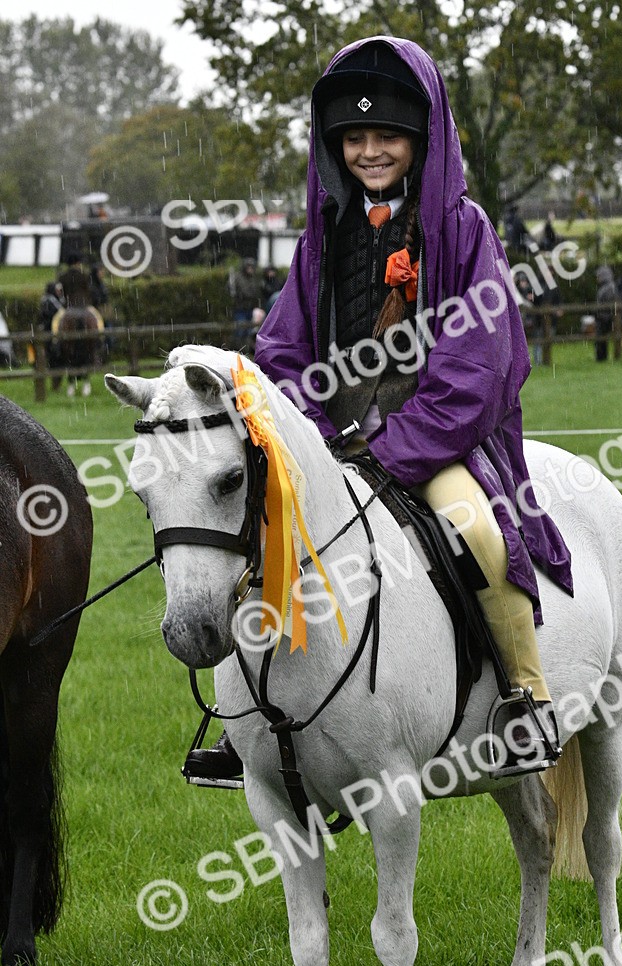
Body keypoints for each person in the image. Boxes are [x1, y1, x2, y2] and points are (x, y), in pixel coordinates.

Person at [187, 36, 573, 782]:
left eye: (387, 136)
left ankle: (526, 698)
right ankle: (244, 729)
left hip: (437, 443)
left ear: (421, 139)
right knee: (252, 537)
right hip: (331, 444)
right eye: (354, 137)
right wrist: (317, 435)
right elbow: (283, 353)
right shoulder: (320, 240)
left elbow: (479, 361)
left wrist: (395, 447)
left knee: (478, 533)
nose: (370, 151)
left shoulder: (465, 231)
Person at [228, 257, 263, 346]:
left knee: (249, 331)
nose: (250, 269)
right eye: (248, 267)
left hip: (250, 308)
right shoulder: (238, 278)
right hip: (240, 308)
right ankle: (236, 348)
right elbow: (239, 292)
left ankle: (244, 349)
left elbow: (257, 293)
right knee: (240, 330)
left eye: (252, 267)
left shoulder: (254, 279)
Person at [595, 265, 617, 362]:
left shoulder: (609, 288)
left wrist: (603, 314)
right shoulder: (605, 287)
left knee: (601, 338)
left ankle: (602, 357)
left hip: (605, 317)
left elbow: (608, 304)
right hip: (603, 315)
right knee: (600, 338)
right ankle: (601, 356)